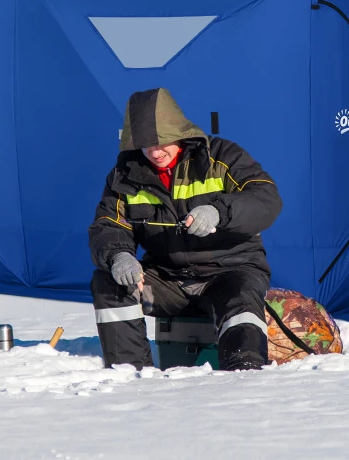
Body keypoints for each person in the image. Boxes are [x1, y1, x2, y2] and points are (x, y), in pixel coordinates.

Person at [88, 88, 282, 371]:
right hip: (167, 284)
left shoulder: (222, 156)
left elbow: (266, 199)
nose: (155, 152)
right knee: (111, 282)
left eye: (162, 142)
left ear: (179, 132)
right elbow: (109, 224)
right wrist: (119, 255)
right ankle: (130, 374)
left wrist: (219, 212)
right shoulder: (125, 174)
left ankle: (243, 373)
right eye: (145, 145)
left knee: (241, 302)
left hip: (231, 273)